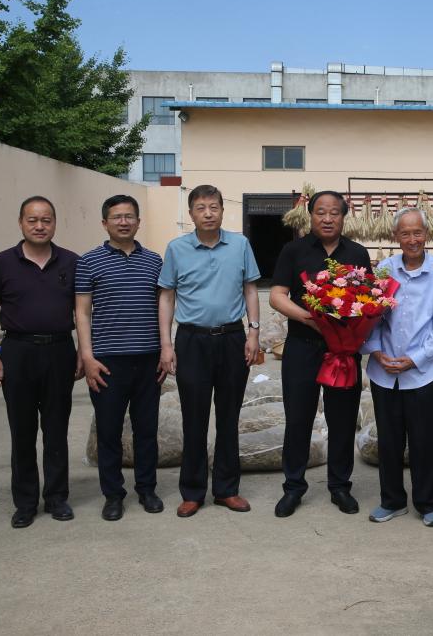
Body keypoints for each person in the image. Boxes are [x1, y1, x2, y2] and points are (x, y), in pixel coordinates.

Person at [158, 185, 261, 518]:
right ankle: (192, 491)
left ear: (222, 211)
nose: (208, 213)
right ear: (191, 214)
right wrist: (166, 344)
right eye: (201, 208)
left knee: (229, 417)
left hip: (232, 339)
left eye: (214, 207)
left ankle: (227, 489)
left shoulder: (240, 245)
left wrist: (253, 333)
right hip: (191, 341)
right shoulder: (177, 249)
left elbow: (250, 289)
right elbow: (167, 297)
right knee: (194, 418)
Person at [0, 196, 83, 528]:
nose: (40, 226)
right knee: (22, 431)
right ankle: (25, 502)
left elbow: (83, 312)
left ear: (54, 223)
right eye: (32, 220)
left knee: (56, 429)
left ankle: (57, 498)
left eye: (46, 220)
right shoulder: (2, 262)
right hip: (17, 352)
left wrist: (84, 352)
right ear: (21, 222)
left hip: (59, 351)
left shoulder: (71, 261)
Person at [269, 190, 370, 518]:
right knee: (298, 418)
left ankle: (340, 486)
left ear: (344, 216)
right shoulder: (293, 250)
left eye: (334, 213)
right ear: (310, 216)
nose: (327, 219)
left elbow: (367, 299)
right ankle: (293, 487)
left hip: (343, 349)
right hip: (302, 346)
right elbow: (277, 295)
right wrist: (309, 318)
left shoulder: (357, 253)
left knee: (342, 419)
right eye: (321, 212)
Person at [361, 208, 433, 527]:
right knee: (388, 440)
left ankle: (427, 502)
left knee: (422, 440)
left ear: (426, 235)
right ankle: (392, 500)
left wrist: (416, 358)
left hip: (422, 373)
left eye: (418, 232)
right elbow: (370, 316)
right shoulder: (385, 270)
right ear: (395, 237)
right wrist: (376, 352)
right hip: (384, 372)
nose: (412, 239)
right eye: (405, 233)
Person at [76, 195, 165, 521]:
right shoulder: (89, 262)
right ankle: (113, 495)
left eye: (129, 216)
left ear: (139, 222)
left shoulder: (155, 261)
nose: (124, 222)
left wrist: (165, 348)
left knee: (147, 431)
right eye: (117, 217)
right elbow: (82, 312)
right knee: (109, 432)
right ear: (105, 223)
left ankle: (147, 489)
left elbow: (163, 307)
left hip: (148, 360)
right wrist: (87, 357)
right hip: (106, 363)